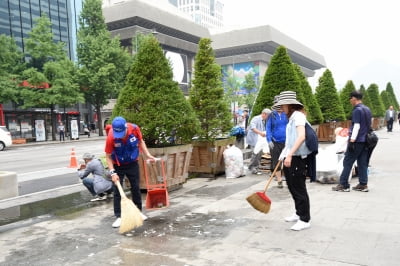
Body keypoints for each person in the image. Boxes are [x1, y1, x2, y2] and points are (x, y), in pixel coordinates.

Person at [105, 116, 156, 228]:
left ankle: (138, 212)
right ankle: (119, 216)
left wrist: (147, 155)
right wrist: (113, 172)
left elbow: (141, 141)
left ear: (125, 128)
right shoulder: (111, 137)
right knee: (117, 191)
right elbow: (108, 156)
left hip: (132, 163)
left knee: (135, 187)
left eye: (122, 133)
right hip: (118, 165)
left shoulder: (134, 129)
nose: (120, 136)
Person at [277, 91, 312, 231]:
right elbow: (290, 141)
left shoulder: (298, 117)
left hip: (297, 158)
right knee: (292, 187)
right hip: (290, 156)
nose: (281, 108)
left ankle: (305, 219)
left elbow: (301, 136)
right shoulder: (291, 118)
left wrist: (290, 154)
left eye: (283, 105)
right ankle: (298, 213)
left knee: (298, 188)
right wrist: (284, 154)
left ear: (289, 105)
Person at [332, 90, 372, 192]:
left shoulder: (357, 110)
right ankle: (363, 184)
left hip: (357, 140)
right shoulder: (367, 109)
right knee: (362, 162)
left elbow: (356, 126)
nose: (350, 100)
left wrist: (352, 141)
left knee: (347, 161)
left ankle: (344, 185)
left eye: (350, 98)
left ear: (354, 98)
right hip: (366, 140)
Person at [267, 96, 288, 188]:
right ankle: (279, 180)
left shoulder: (287, 114)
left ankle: (288, 178)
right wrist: (269, 140)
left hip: (287, 142)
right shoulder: (272, 115)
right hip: (275, 142)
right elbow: (268, 128)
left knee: (287, 160)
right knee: (276, 161)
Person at [246, 108, 271, 174]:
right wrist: (260, 133)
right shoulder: (256, 118)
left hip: (259, 139)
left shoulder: (264, 121)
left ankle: (255, 167)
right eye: (268, 116)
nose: (268, 118)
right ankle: (252, 167)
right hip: (254, 139)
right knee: (255, 153)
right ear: (264, 114)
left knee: (259, 154)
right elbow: (253, 128)